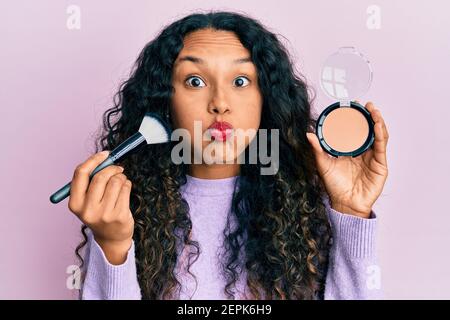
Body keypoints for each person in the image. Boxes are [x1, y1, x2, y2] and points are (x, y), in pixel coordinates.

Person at [68, 11, 389, 300]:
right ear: (165, 101)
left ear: (267, 98)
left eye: (240, 81)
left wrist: (351, 213)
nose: (220, 102)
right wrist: (112, 247)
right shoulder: (122, 210)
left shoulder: (304, 208)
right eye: (195, 81)